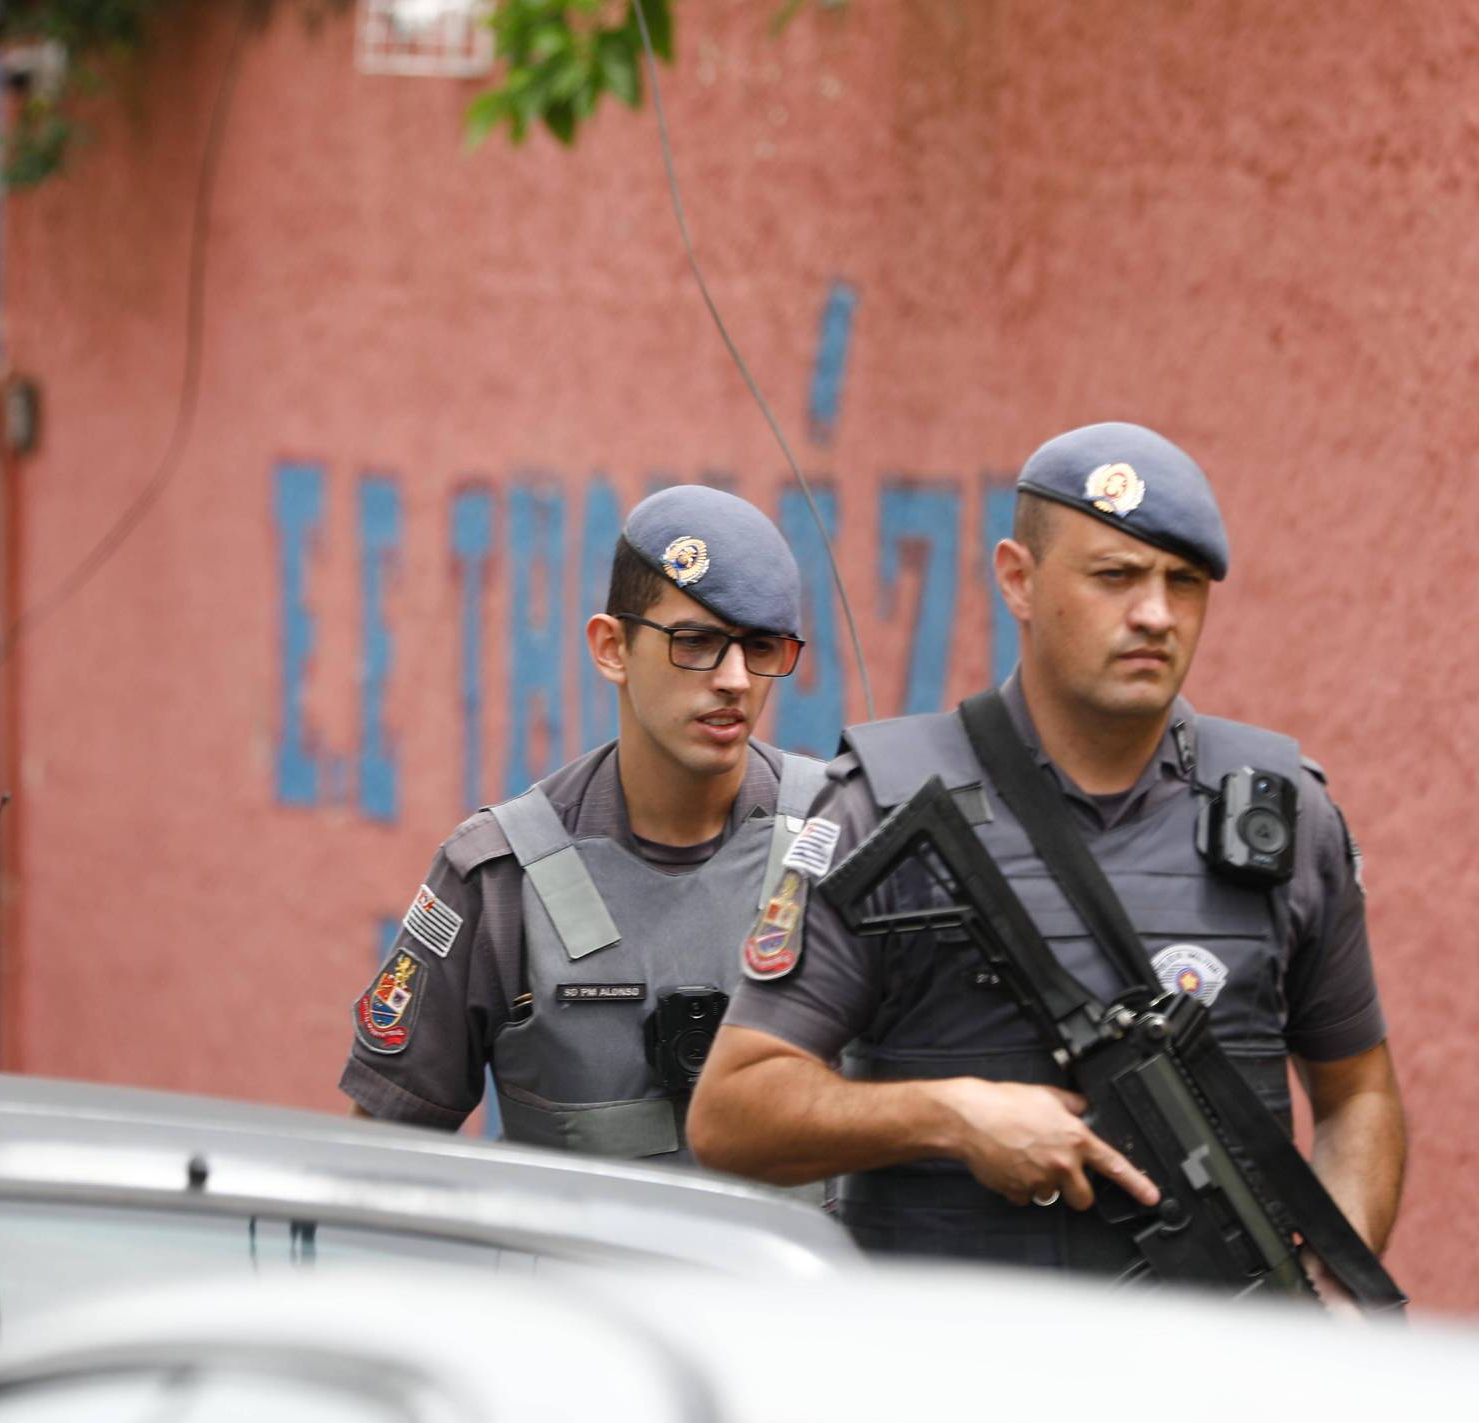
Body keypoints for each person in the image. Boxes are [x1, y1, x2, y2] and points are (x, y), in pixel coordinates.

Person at [692, 422, 1405, 1296]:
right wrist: (949, 1116)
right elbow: (731, 1113)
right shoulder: (883, 805)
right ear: (1018, 581)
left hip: (1219, 1393)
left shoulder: (1283, 818)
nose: (1155, 613)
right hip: (962, 1386)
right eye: (1116, 576)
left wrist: (1335, 1280)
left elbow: (1359, 1096)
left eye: (1183, 584)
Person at [341, 486, 826, 1160]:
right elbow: (377, 1162)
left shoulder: (846, 840)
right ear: (612, 648)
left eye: (762, 646)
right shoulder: (500, 879)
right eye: (698, 642)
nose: (736, 680)